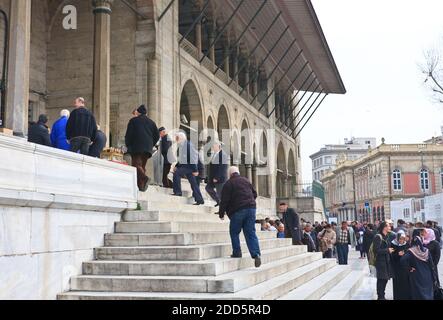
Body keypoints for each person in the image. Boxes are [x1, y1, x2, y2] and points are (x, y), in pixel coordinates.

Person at [218, 166, 261, 268]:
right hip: (251, 209)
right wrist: (249, 200)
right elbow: (255, 194)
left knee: (234, 232)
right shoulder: (246, 181)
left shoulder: (228, 184)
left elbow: (224, 201)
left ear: (230, 174)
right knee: (250, 233)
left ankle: (237, 252)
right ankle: (256, 254)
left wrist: (221, 213)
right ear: (238, 172)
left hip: (238, 210)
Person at [125, 105, 159, 192]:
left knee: (136, 165)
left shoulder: (133, 120)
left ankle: (145, 178)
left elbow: (129, 134)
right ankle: (141, 187)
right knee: (142, 166)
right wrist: (151, 144)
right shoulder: (152, 122)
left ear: (138, 112)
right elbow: (157, 135)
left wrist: (128, 145)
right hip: (147, 149)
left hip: (137, 147)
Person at [401, 232, 438, 300]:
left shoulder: (411, 251)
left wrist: (409, 268)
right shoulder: (427, 251)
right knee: (428, 293)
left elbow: (402, 260)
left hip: (417, 275)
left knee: (417, 293)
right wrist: (434, 277)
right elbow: (431, 265)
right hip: (427, 276)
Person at [172, 132, 204, 205]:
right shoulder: (182, 145)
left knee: (177, 173)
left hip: (190, 167)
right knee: (194, 184)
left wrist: (195, 170)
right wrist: (176, 166)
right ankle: (200, 200)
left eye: (177, 138)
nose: (176, 140)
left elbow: (193, 158)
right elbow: (181, 159)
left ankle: (178, 192)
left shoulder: (188, 145)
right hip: (187, 167)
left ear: (181, 138)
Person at [373, 221, 394, 300]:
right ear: (384, 227)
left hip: (386, 261)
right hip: (380, 262)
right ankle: (380, 296)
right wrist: (387, 250)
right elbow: (376, 250)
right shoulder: (378, 237)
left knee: (385, 279)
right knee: (381, 279)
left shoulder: (387, 236)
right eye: (388, 226)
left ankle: (382, 295)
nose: (390, 227)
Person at [205, 142, 228, 207]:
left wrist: (217, 177)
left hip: (220, 178)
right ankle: (218, 201)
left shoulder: (223, 155)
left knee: (220, 194)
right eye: (212, 146)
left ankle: (223, 210)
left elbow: (222, 167)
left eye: (214, 146)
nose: (213, 147)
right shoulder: (215, 154)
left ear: (219, 147)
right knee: (208, 188)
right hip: (213, 178)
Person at [391, 231, 410, 300]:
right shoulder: (393, 244)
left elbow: (409, 254)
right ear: (397, 238)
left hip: (405, 267)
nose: (401, 240)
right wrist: (397, 255)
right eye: (400, 239)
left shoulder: (407, 244)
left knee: (405, 283)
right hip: (396, 267)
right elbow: (391, 256)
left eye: (403, 239)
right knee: (397, 283)